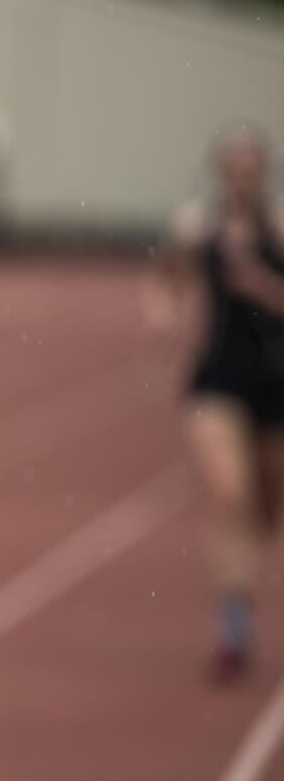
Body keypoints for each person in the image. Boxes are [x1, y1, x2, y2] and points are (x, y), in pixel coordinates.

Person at [146, 121, 284, 682]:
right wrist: (163, 310)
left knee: (265, 511)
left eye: (250, 166)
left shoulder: (279, 228)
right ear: (219, 171)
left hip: (275, 384)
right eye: (232, 166)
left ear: (263, 172)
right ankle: (232, 628)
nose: (241, 176)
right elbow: (161, 281)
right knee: (229, 495)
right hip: (214, 380)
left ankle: (238, 590)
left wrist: (263, 287)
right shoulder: (195, 227)